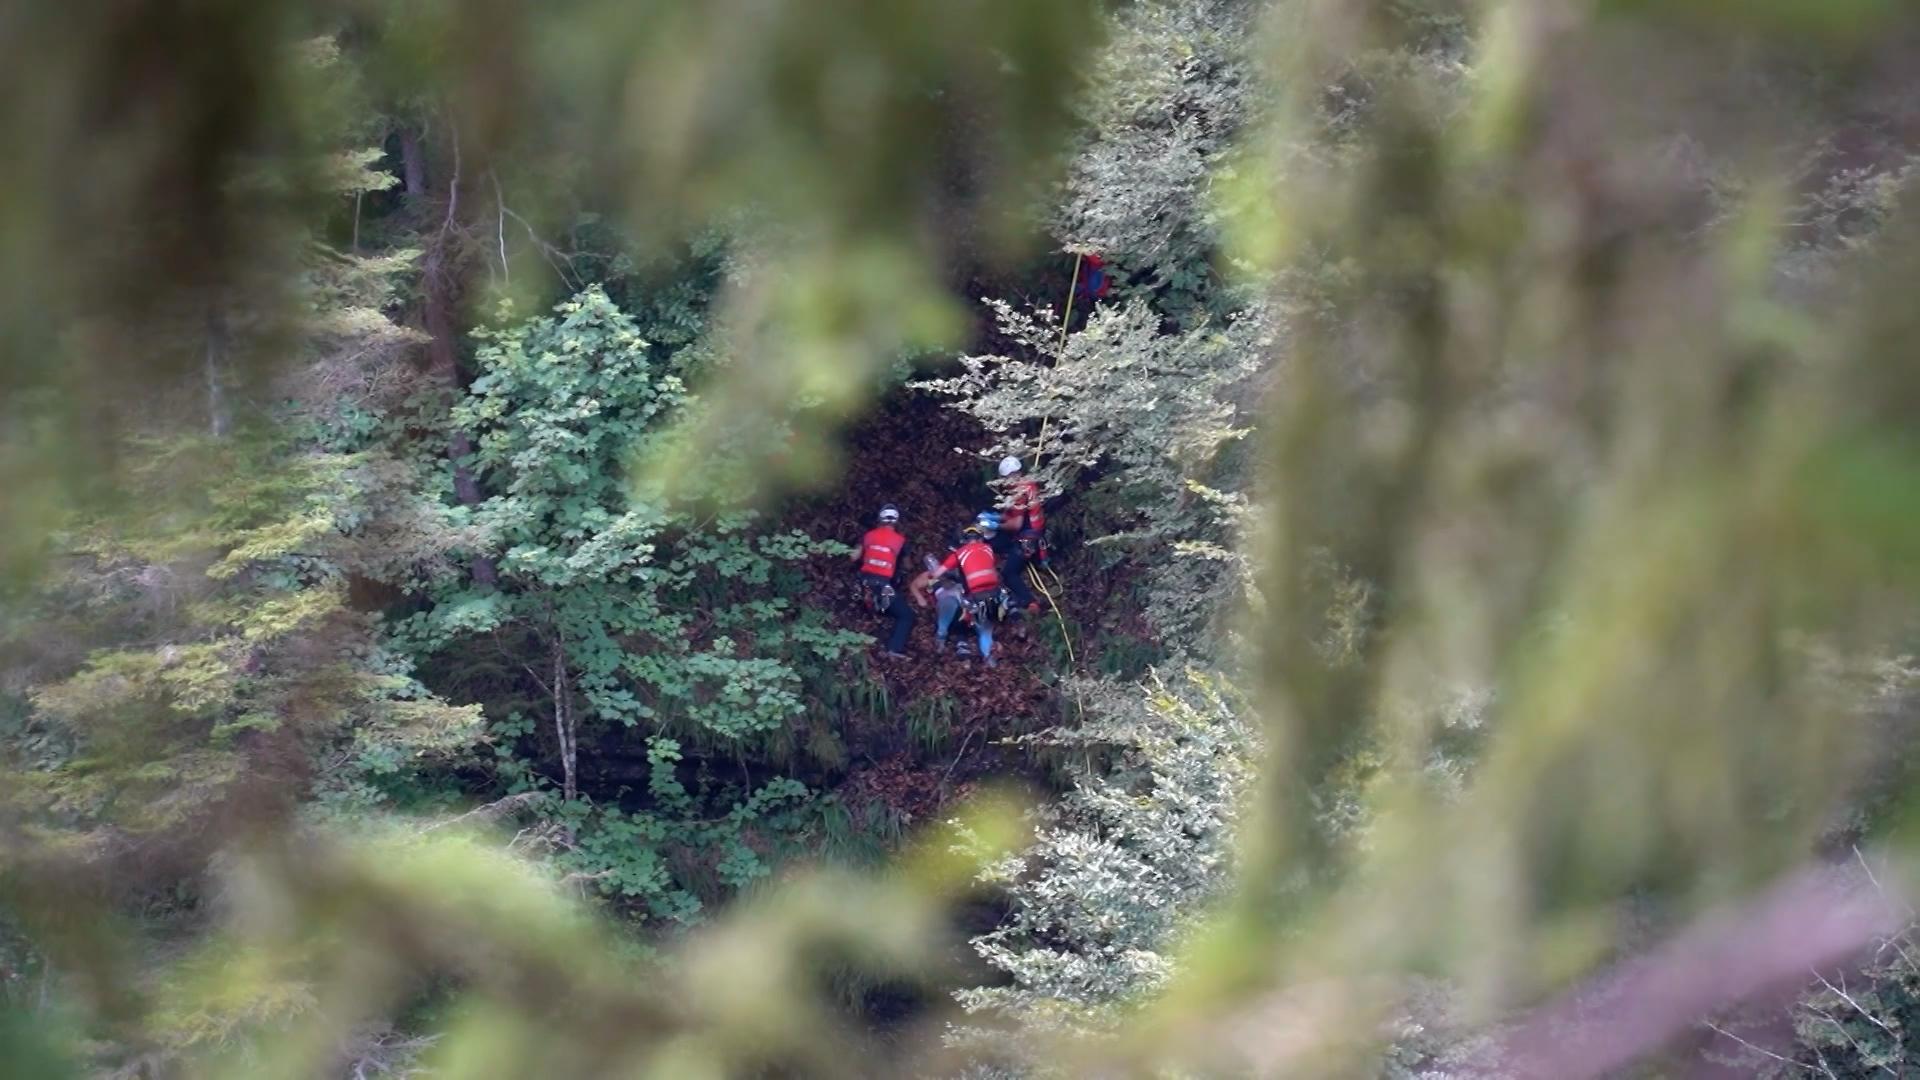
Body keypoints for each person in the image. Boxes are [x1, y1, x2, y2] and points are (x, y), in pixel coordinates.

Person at [910, 523, 1002, 667]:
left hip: (969, 605)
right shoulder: (930, 575)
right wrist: (920, 598)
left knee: (982, 623)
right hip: (950, 607)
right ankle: (941, 636)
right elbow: (915, 584)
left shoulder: (960, 570)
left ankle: (988, 655)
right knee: (950, 600)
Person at [851, 503, 913, 657]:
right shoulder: (900, 540)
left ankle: (872, 604)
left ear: (880, 519)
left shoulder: (868, 535)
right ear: (896, 521)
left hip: (863, 581)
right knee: (907, 615)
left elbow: (853, 557)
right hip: (883, 585)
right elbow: (908, 566)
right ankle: (894, 648)